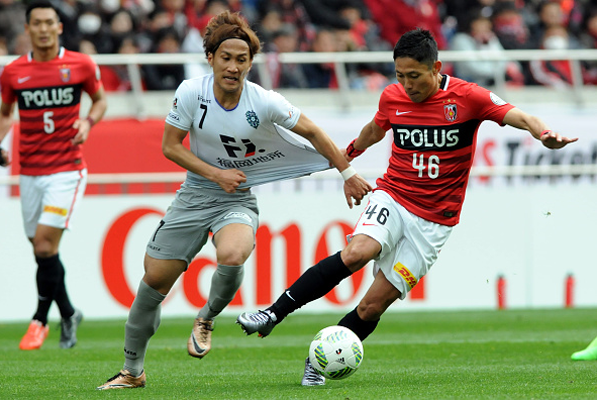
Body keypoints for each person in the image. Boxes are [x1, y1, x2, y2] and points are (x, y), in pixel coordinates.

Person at [236, 28, 578, 386]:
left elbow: (520, 116)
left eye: (414, 76)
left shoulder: (468, 97)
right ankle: (273, 313)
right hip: (394, 196)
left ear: (436, 68)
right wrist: (346, 157)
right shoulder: (392, 96)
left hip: (434, 222)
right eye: (400, 75)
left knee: (371, 307)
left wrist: (544, 135)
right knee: (357, 252)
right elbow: (375, 129)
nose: (407, 84)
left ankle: (317, 363)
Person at [96, 10, 371, 390]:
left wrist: (347, 173)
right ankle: (132, 371)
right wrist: (216, 173)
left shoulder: (264, 100)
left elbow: (314, 132)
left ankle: (206, 317)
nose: (233, 66)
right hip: (195, 193)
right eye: (226, 57)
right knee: (152, 284)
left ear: (250, 63)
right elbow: (170, 147)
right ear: (211, 58)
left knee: (234, 252)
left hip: (236, 197)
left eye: (242, 60)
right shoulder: (192, 92)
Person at [0, 0, 107, 350]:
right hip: (29, 172)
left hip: (67, 170)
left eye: (49, 22)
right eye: (37, 23)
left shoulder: (80, 64)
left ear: (59, 27)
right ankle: (69, 312)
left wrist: (87, 122)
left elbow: (100, 100)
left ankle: (39, 320)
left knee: (44, 245)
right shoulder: (14, 72)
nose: (43, 29)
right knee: (43, 252)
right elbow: (5, 112)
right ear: (27, 29)